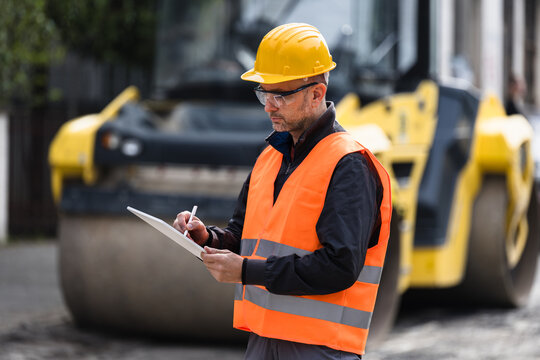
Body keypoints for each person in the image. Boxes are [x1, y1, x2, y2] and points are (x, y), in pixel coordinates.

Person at [173, 23, 392, 359]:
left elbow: (339, 266)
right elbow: (245, 236)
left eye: (280, 95)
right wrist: (209, 238)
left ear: (317, 93)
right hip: (264, 340)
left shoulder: (349, 165)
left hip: (321, 349)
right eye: (264, 93)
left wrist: (246, 272)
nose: (268, 106)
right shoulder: (270, 157)